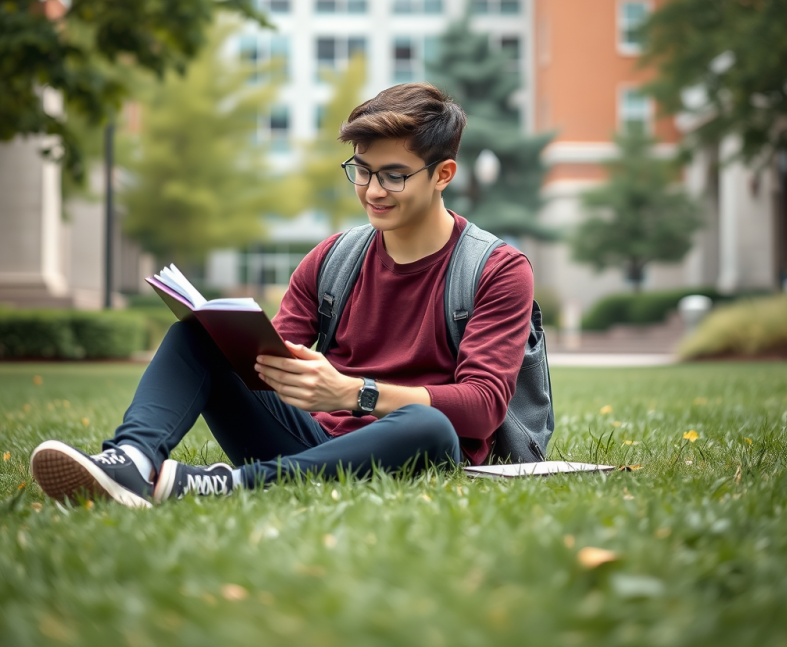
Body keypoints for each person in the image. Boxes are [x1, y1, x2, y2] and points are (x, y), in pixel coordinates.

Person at [30, 83, 534, 508]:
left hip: (414, 447)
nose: (372, 190)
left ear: (443, 174)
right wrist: (235, 342)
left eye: (394, 176)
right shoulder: (333, 258)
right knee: (195, 336)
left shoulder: (496, 269)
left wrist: (350, 392)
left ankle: (224, 484)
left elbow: (482, 405)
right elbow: (263, 367)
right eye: (361, 170)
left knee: (428, 425)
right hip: (309, 441)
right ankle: (132, 462)